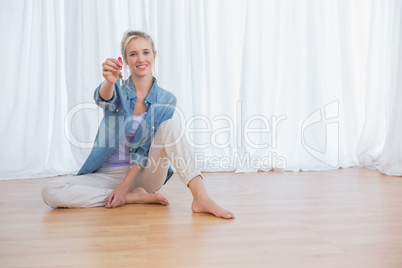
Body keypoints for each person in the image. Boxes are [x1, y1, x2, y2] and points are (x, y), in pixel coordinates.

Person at [42, 30, 235, 219]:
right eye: (133, 54)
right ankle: (130, 198)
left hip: (145, 173)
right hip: (106, 175)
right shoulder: (117, 88)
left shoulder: (167, 99)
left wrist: (124, 185)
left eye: (145, 52)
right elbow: (103, 99)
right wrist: (108, 82)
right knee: (51, 190)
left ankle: (201, 198)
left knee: (171, 127)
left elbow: (142, 152)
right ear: (125, 60)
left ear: (154, 55)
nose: (140, 59)